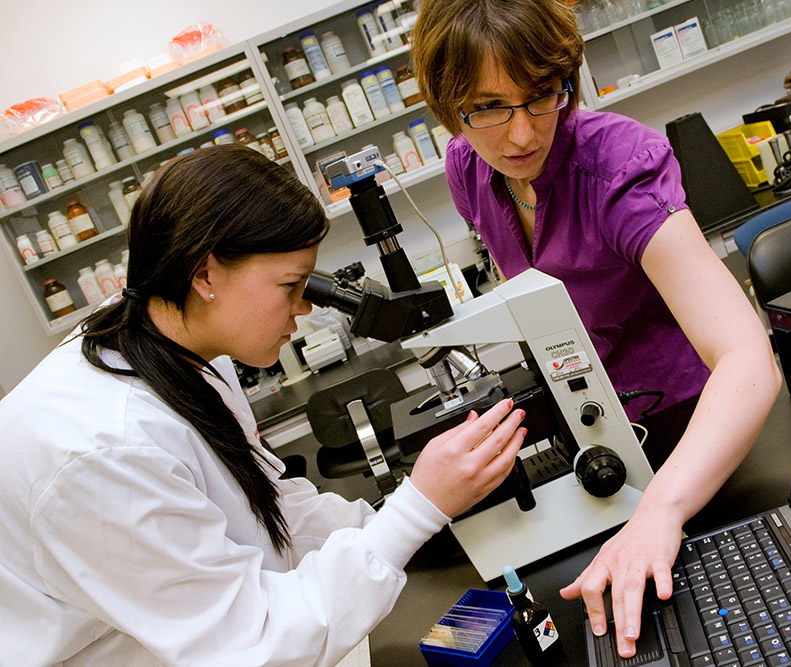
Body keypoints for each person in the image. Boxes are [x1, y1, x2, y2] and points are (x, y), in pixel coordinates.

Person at [0, 145, 527, 665]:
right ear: (204, 275)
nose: (303, 307)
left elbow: (270, 507)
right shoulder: (103, 450)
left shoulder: (174, 342)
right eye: (291, 285)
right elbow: (252, 646)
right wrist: (416, 511)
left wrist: (398, 521)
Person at [410, 0, 782, 658]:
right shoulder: (469, 168)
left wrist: (663, 508)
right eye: (489, 107)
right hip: (601, 429)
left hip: (694, 431)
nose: (521, 133)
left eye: (541, 96)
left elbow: (749, 360)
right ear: (450, 106)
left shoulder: (618, 166)